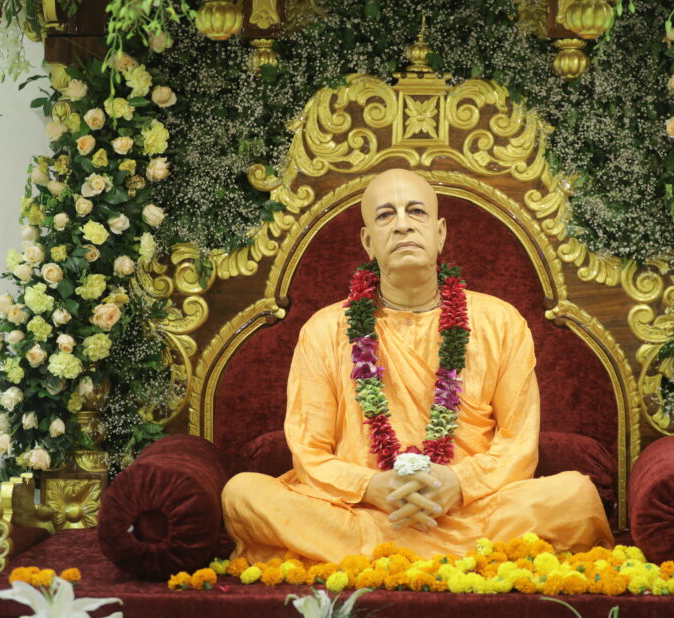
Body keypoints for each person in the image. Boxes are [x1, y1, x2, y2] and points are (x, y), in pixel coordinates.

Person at [221, 169, 613, 562]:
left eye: (416, 212)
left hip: (470, 506)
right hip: (364, 507)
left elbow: (519, 444)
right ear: (367, 240)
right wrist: (374, 486)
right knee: (242, 494)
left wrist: (456, 483)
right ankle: (456, 556)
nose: (403, 225)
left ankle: (379, 555)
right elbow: (310, 451)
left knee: (575, 496)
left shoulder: (499, 321)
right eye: (386, 215)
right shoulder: (325, 329)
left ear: (440, 233)